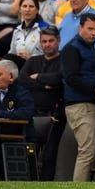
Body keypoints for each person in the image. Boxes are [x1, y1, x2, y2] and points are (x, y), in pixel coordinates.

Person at [61, 12, 95, 182]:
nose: (93, 33)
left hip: (88, 104)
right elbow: (71, 78)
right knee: (87, 151)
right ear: (79, 27)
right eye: (90, 29)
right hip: (80, 105)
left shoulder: (91, 49)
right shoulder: (71, 48)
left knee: (88, 151)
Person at [18, 25, 65, 181]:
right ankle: (29, 184)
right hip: (32, 114)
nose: (47, 44)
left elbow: (58, 79)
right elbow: (22, 80)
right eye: (44, 41)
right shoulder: (33, 60)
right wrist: (44, 84)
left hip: (55, 114)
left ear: (58, 41)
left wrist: (37, 76)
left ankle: (46, 185)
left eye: (51, 41)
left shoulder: (64, 59)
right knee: (30, 153)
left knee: (49, 155)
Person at [5, 0, 49, 68]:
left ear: (37, 10)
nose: (27, 9)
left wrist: (30, 57)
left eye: (31, 6)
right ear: (20, 9)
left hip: (38, 67)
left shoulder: (44, 29)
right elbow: (12, 53)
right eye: (24, 6)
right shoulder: (17, 31)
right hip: (20, 67)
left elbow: (49, 54)